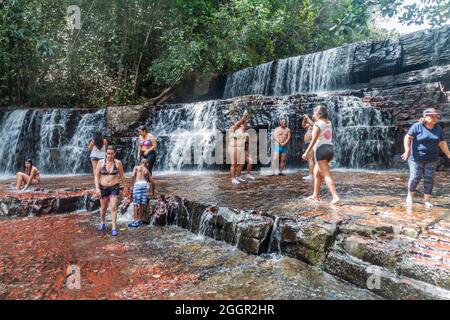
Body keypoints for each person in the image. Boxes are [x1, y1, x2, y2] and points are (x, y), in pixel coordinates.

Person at [401, 108, 450, 207]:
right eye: (432, 116)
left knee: (429, 178)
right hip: (416, 158)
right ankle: (410, 196)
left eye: (436, 116)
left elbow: (442, 142)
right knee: (415, 177)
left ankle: (426, 200)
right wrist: (407, 150)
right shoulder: (417, 126)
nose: (435, 118)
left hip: (432, 158)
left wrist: (448, 154)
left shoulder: (438, 128)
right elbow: (408, 137)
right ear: (425, 117)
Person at [302, 105, 340, 205]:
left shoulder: (317, 124)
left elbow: (314, 140)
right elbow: (317, 125)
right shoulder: (328, 122)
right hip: (329, 149)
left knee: (326, 173)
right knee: (316, 173)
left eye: (314, 113)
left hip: (321, 150)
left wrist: (306, 152)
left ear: (319, 114)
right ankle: (315, 195)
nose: (313, 115)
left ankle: (335, 197)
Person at [94, 145, 128, 236]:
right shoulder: (100, 163)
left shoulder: (118, 163)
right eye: (108, 153)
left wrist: (125, 187)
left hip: (114, 187)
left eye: (112, 154)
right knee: (104, 208)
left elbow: (122, 176)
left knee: (113, 207)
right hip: (103, 187)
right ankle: (102, 222)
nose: (110, 155)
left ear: (115, 154)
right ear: (106, 153)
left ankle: (114, 227)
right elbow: (96, 176)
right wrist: (97, 188)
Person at [128, 158, 155, 228]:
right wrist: (152, 192)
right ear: (147, 164)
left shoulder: (136, 167)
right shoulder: (147, 171)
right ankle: (140, 220)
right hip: (144, 184)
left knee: (135, 204)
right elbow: (153, 182)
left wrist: (131, 186)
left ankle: (135, 221)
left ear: (140, 163)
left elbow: (133, 176)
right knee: (142, 203)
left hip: (137, 184)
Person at [229, 111, 250, 185]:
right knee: (234, 164)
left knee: (241, 164)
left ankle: (238, 177)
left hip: (241, 148)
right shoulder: (232, 128)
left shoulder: (241, 130)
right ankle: (232, 178)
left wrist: (246, 119)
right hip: (233, 148)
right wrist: (243, 117)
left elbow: (244, 124)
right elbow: (239, 123)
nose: (239, 124)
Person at [302, 114, 315, 181]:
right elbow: (303, 125)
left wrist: (307, 117)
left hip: (312, 142)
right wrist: (304, 119)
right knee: (310, 158)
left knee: (310, 159)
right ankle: (313, 174)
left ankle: (311, 175)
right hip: (308, 142)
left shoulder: (318, 123)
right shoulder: (309, 124)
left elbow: (313, 124)